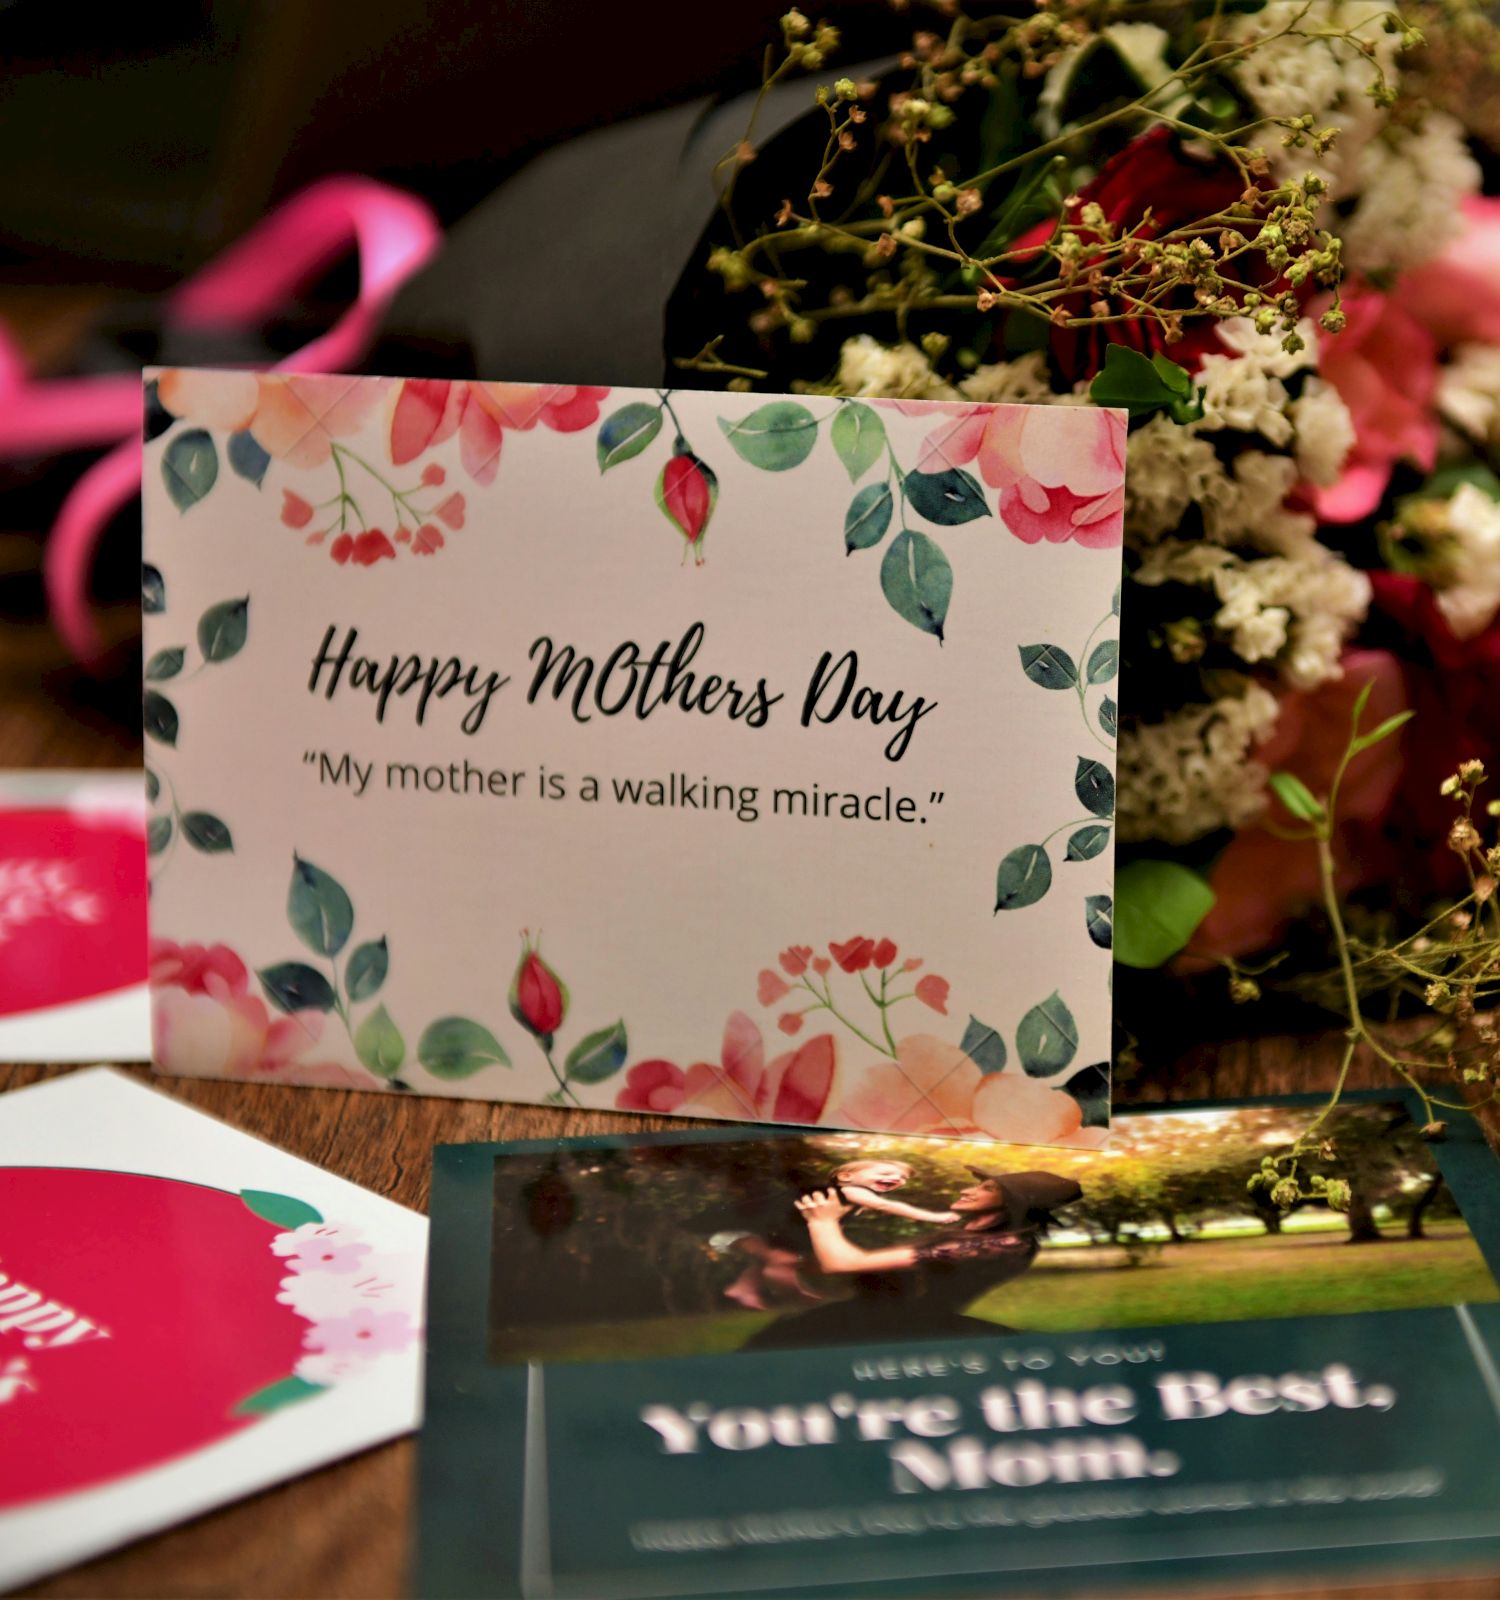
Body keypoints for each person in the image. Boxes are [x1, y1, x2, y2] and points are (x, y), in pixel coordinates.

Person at [739, 1166, 1083, 1349]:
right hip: (880, 1317)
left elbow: (843, 1263)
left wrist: (823, 1220)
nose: (968, 1189)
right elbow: (866, 1264)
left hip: (900, 1326)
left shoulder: (1000, 1244)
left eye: (987, 1188)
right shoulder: (973, 1236)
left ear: (1014, 1204)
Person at [714, 1158, 958, 1311]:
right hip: (735, 1232)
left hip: (748, 1234)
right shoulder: (851, 1191)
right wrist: (934, 1217)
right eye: (885, 1173)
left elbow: (830, 1226)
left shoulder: (851, 1201)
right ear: (845, 1177)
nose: (896, 1178)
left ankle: (743, 1288)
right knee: (780, 1260)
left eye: (901, 1178)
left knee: (778, 1257)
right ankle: (795, 1295)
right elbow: (891, 1206)